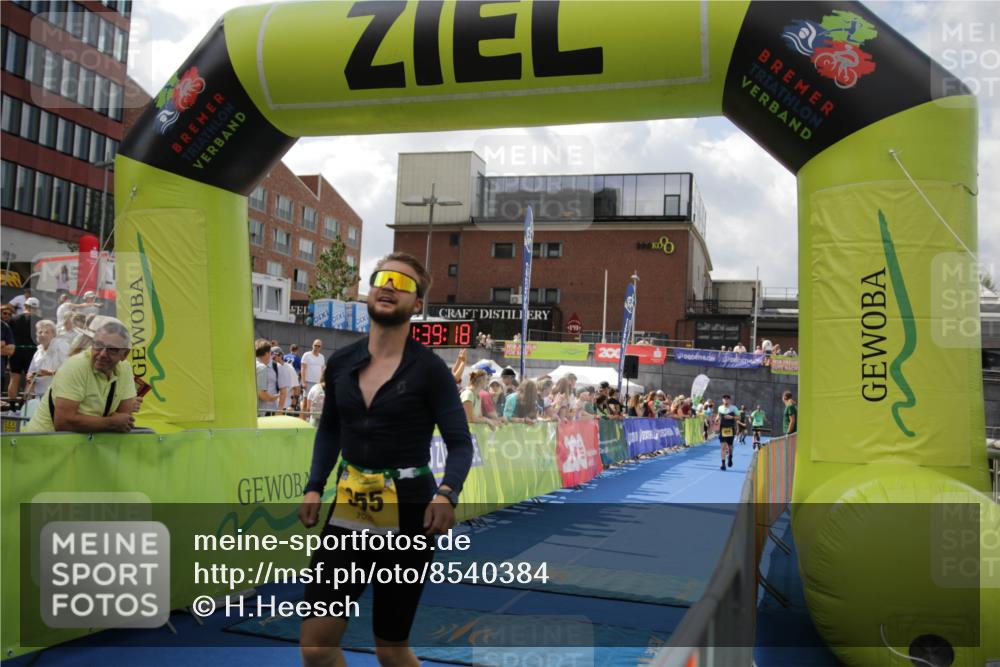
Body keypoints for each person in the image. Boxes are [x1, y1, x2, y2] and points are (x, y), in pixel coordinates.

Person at [297, 252, 473, 667]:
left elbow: (460, 444)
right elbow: (330, 430)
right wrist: (314, 484)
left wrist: (447, 494)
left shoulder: (430, 370)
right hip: (348, 510)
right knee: (316, 645)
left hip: (411, 512)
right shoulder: (341, 362)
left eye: (404, 282)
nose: (390, 285)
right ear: (370, 289)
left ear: (418, 305)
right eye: (383, 277)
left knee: (390, 649)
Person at [24, 318, 137, 433]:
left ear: (124, 354)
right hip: (43, 444)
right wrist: (110, 422)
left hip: (80, 445)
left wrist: (110, 422)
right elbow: (63, 422)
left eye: (112, 350)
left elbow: (124, 417)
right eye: (98, 345)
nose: (102, 354)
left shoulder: (124, 368)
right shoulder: (76, 366)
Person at [26, 320, 69, 399]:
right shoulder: (38, 352)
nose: (43, 335)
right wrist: (30, 377)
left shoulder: (61, 346)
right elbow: (31, 372)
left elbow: (69, 369)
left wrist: (49, 373)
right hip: (40, 395)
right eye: (40, 332)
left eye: (46, 332)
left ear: (54, 334)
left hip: (58, 395)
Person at [7, 296, 39, 400]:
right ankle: (24, 409)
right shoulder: (40, 321)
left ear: (25, 305)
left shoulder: (13, 319)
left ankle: (12, 408)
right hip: (32, 352)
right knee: (30, 380)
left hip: (16, 351)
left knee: (14, 379)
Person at [255, 341, 279, 416]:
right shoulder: (262, 368)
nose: (271, 356)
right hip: (258, 412)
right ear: (266, 353)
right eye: (270, 353)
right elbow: (262, 394)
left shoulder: (250, 364)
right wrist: (274, 397)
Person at [272, 347, 298, 413]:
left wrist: (292, 406)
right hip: (273, 406)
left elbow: (296, 388)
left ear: (280, 355)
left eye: (273, 357)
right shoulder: (270, 367)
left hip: (285, 407)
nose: (271, 359)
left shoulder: (289, 368)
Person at [716, 394, 738, 470]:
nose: (726, 400)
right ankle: (723, 464)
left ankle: (730, 457)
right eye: (724, 398)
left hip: (730, 429)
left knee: (730, 447)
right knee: (723, 447)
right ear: (722, 400)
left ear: (729, 400)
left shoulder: (734, 408)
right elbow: (718, 415)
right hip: (722, 429)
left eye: (727, 399)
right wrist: (716, 419)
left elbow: (739, 417)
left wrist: (732, 417)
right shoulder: (720, 408)